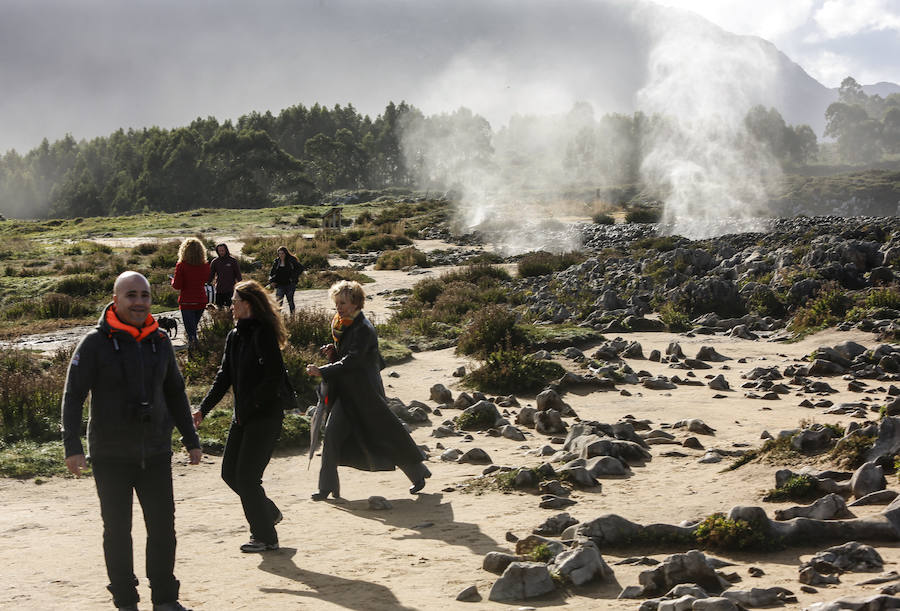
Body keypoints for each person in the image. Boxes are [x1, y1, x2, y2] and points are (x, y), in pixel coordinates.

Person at [61, 271, 202, 611]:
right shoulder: (94, 343)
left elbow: (175, 392)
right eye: (131, 295)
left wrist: (190, 438)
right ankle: (125, 600)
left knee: (163, 530)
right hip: (110, 455)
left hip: (155, 451)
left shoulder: (160, 341)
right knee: (118, 532)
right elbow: (73, 395)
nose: (139, 302)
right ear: (116, 298)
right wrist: (72, 446)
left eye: (144, 295)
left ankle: (166, 599)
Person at [305, 280, 430, 500]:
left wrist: (322, 371)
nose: (339, 307)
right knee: (332, 434)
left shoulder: (363, 328)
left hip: (365, 394)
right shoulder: (343, 323)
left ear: (355, 303)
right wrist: (333, 352)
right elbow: (346, 357)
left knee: (385, 433)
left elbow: (353, 361)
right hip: (347, 392)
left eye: (343, 303)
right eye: (337, 303)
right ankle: (327, 487)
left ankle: (418, 474)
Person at [194, 279, 287, 553]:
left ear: (247, 304)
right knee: (230, 474)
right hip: (243, 416)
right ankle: (267, 513)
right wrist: (203, 408)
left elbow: (274, 378)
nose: (231, 305)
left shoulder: (264, 333)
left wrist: (252, 404)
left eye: (234, 301)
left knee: (247, 477)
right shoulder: (235, 335)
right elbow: (224, 377)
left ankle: (265, 537)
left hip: (266, 416)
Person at [171, 237, 210, 346]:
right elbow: (206, 280)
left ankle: (194, 354)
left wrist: (173, 281)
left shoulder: (181, 266)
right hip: (201, 301)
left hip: (187, 302)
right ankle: (196, 354)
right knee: (193, 329)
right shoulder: (205, 266)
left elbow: (177, 286)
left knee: (191, 333)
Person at [267, 246, 303, 315]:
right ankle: (278, 318)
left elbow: (300, 268)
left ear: (286, 253)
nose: (281, 255)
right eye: (279, 253)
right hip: (280, 285)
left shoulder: (291, 260)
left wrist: (293, 277)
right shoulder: (277, 262)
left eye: (282, 253)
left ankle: (293, 318)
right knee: (278, 303)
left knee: (290, 302)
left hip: (290, 285)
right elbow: (271, 273)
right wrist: (271, 281)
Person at [208, 243, 242, 308]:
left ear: (226, 250)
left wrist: (241, 286)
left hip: (230, 289)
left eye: (222, 250)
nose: (221, 252)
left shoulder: (233, 261)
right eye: (219, 251)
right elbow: (211, 275)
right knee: (219, 308)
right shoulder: (215, 261)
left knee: (231, 308)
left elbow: (238, 275)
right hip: (219, 289)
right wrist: (207, 283)